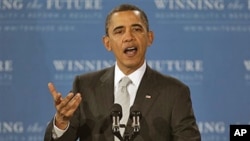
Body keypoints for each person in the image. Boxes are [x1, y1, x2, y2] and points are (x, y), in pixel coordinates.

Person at [44, 3, 201, 141]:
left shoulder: (174, 92)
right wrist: (61, 122)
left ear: (149, 37)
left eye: (136, 29)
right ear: (107, 43)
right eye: (119, 31)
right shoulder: (85, 86)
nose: (128, 37)